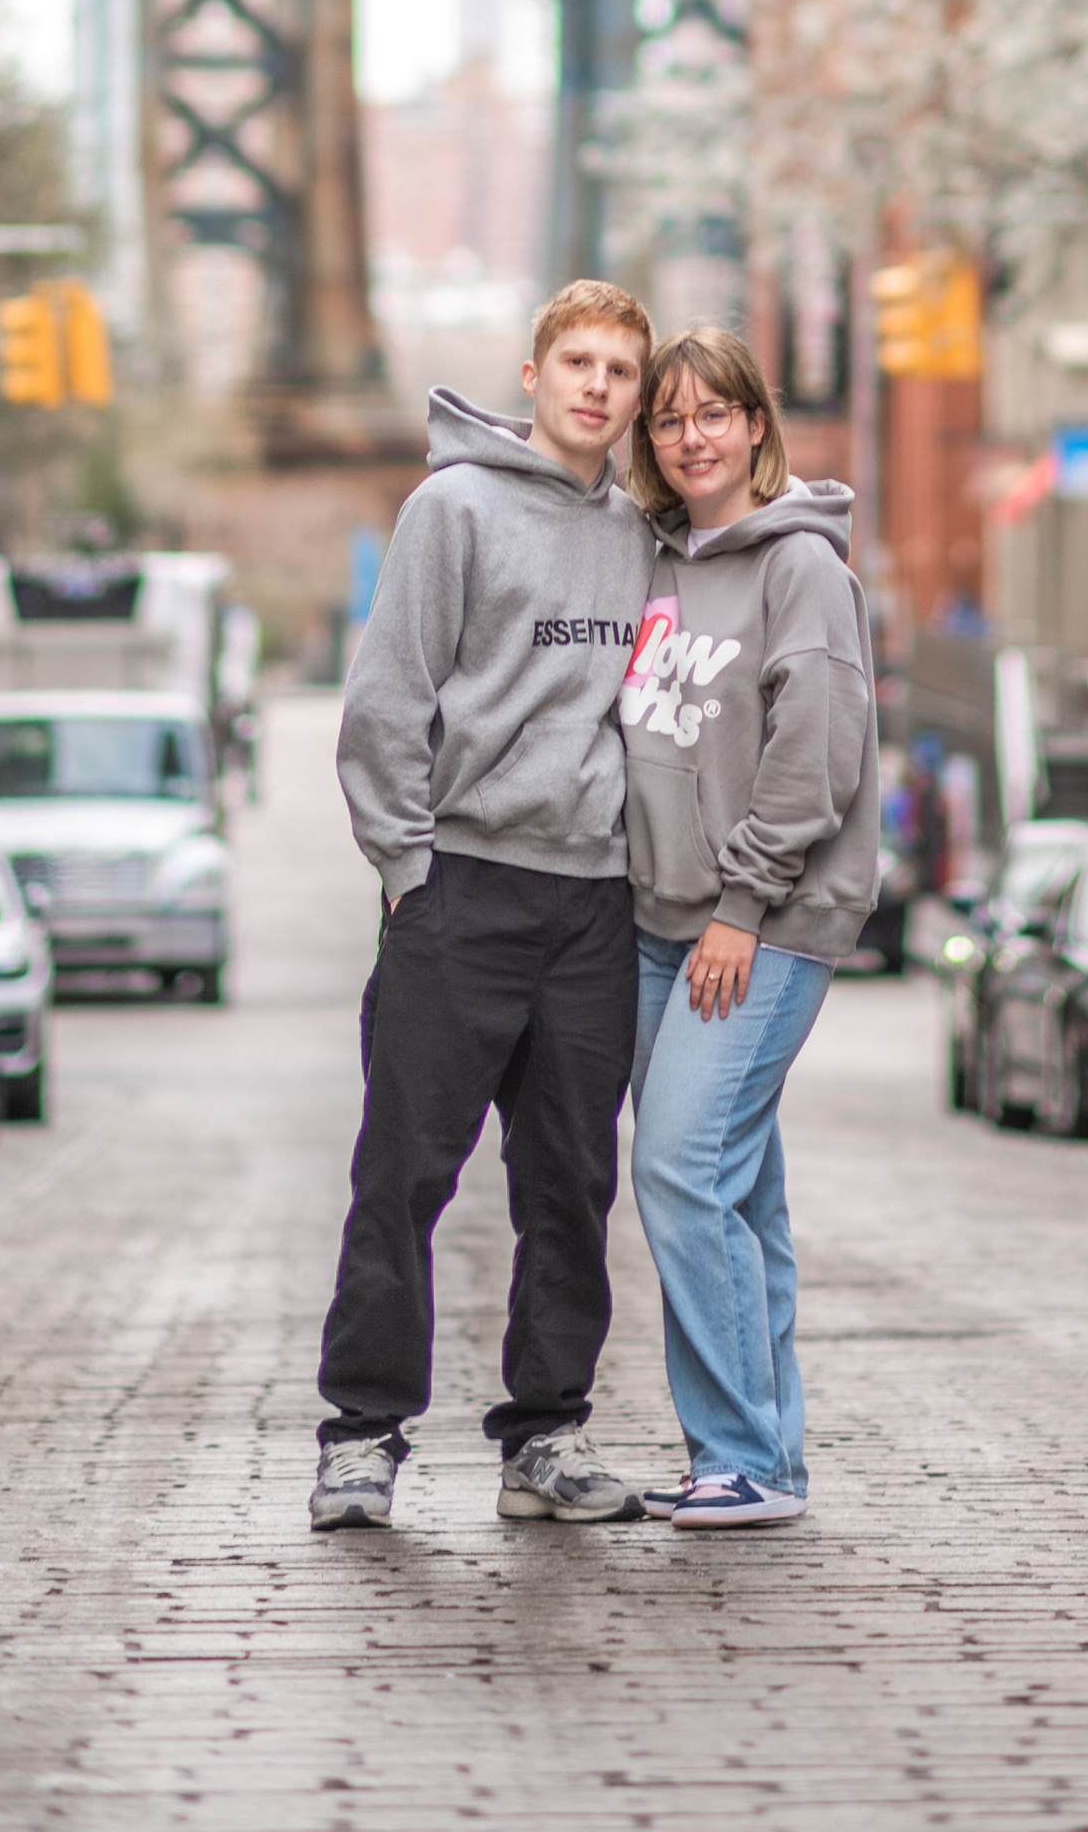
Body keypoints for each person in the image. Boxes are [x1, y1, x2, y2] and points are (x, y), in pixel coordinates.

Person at [309, 282, 655, 1534]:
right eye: (577, 361)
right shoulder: (450, 509)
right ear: (533, 373)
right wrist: (409, 872)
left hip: (594, 905)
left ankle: (544, 1437)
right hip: (460, 891)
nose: (596, 386)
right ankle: (360, 1438)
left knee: (571, 1185)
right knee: (402, 1174)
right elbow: (385, 702)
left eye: (621, 369)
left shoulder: (643, 534)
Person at [620, 323, 879, 1528]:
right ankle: (761, 1457)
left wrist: (739, 906)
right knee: (735, 1190)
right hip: (658, 923)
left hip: (762, 925)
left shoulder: (800, 569)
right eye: (669, 419)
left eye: (712, 414)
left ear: (756, 425)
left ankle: (740, 1454)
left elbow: (814, 759)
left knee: (675, 1167)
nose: (691, 438)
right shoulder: (652, 562)